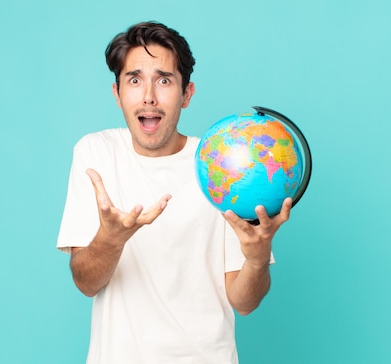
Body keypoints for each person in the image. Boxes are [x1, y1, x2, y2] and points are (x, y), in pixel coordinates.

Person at [57, 21, 292, 364]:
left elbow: (244, 302)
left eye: (164, 80)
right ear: (117, 92)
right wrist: (111, 239)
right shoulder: (95, 154)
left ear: (187, 94)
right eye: (134, 80)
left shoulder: (221, 167)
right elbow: (86, 283)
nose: (148, 95)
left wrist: (257, 259)